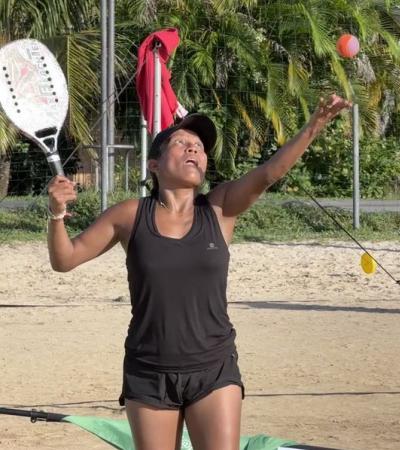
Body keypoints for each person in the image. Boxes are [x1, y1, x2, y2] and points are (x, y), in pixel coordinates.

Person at [46, 94, 352, 450]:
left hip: (214, 367)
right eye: (182, 143)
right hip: (149, 370)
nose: (194, 149)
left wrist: (314, 124)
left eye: (199, 147)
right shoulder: (129, 214)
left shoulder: (220, 208)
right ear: (154, 165)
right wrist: (55, 214)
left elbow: (270, 172)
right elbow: (64, 259)